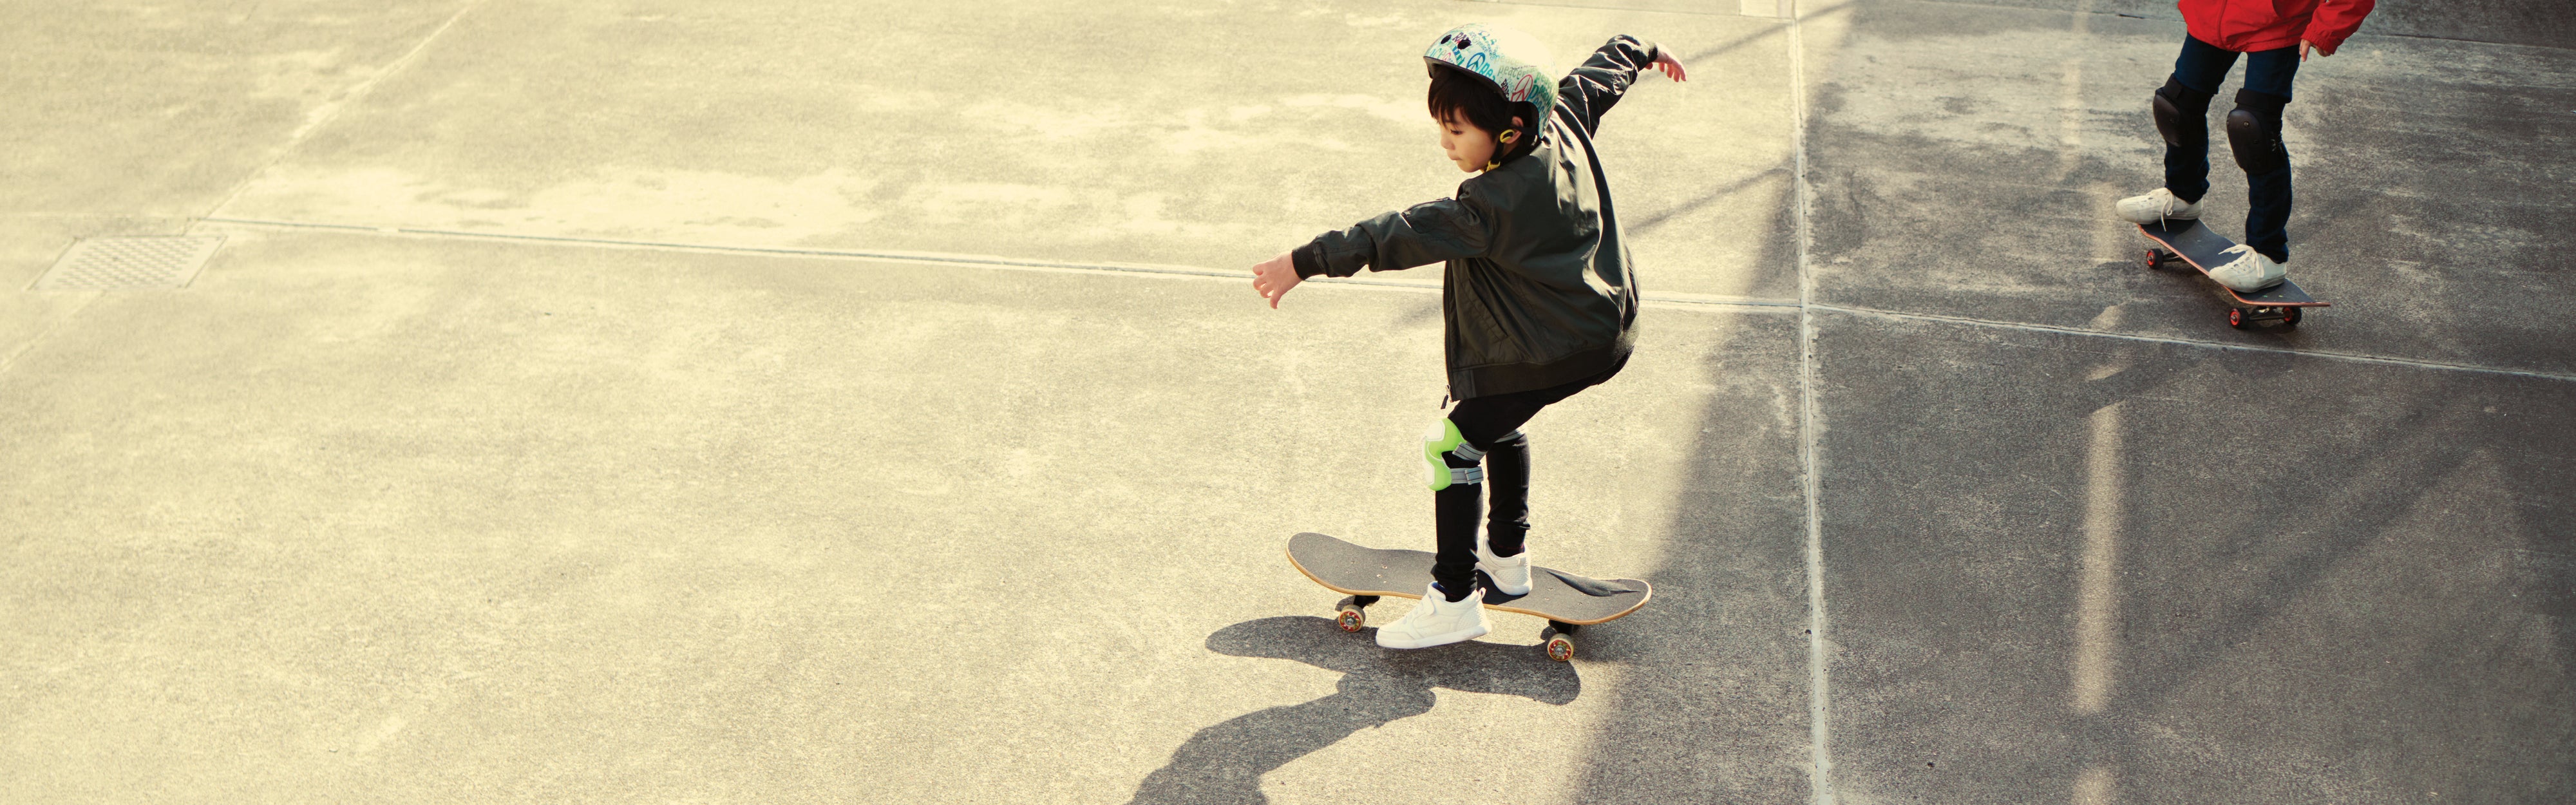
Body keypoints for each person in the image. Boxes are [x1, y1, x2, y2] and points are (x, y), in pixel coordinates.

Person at [1248, 24, 1686, 649]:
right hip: (1595, 326)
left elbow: (1394, 234)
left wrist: (1303, 261)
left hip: (1559, 347)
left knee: (1451, 444)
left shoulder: (1491, 204)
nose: (1445, 144)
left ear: (1508, 130)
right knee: (1493, 421)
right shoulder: (1558, 120)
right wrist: (1638, 48)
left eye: (1456, 132)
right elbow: (1595, 79)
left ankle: (1453, 596)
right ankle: (1506, 559)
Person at [2114, 0, 2375, 292]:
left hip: (2279, 21)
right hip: (2212, 12)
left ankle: (2268, 255)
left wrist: (2329, 27)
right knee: (2177, 107)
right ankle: (2182, 195)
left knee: (2253, 130)